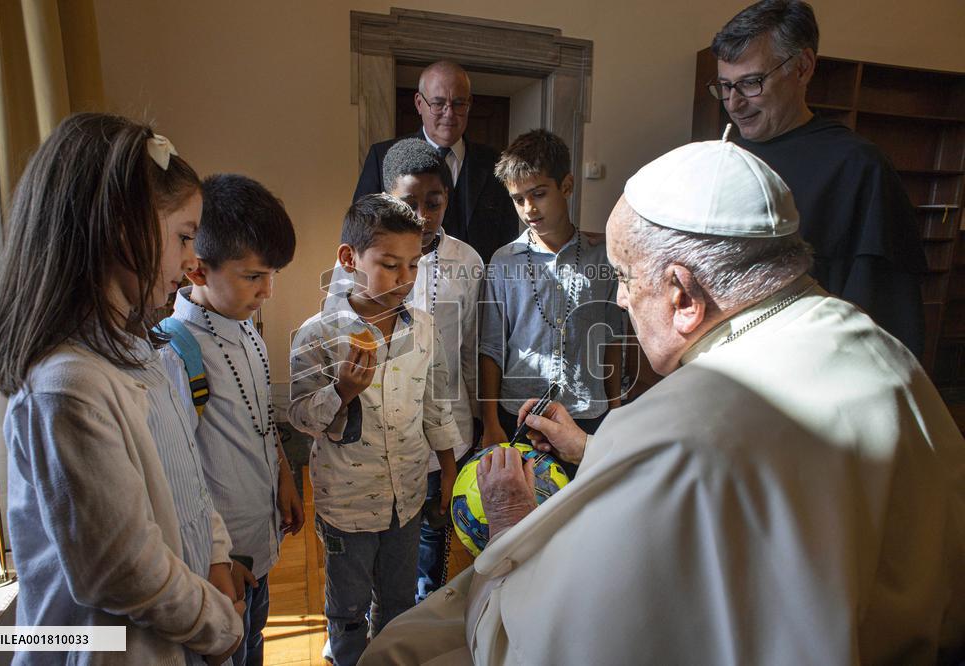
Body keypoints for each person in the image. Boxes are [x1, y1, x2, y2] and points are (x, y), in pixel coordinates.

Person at [359, 139, 965, 664]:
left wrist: (512, 526)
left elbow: (550, 642)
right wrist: (588, 448)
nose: (620, 302)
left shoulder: (670, 424)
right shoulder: (886, 353)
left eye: (625, 278)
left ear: (683, 296)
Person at [0, 112, 244, 665]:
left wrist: (214, 552)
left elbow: (186, 479)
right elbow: (122, 570)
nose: (192, 260)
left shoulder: (138, 355)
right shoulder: (69, 388)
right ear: (123, 227)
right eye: (184, 237)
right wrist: (216, 626)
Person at [289, 194, 461, 666]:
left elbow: (435, 405)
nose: (405, 280)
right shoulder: (317, 335)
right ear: (350, 259)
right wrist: (341, 391)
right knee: (347, 608)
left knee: (399, 602)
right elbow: (301, 418)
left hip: (405, 496)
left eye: (413, 265)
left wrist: (447, 470)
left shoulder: (424, 329)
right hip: (346, 504)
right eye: (389, 265)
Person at [708, 0, 927, 357]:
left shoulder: (858, 167)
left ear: (803, 68)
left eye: (751, 83)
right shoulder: (723, 156)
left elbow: (884, 315)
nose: (733, 103)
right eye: (724, 86)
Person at [162, 173, 302, 666]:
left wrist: (284, 474)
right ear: (198, 270)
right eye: (254, 276)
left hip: (258, 539)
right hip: (219, 564)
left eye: (272, 274)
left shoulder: (247, 331)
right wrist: (212, 558)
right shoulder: (176, 351)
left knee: (254, 645)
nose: (268, 290)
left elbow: (262, 416)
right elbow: (179, 475)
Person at [479, 130, 625, 468]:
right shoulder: (503, 261)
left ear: (567, 186)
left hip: (588, 412)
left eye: (539, 194)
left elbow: (613, 339)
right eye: (518, 199)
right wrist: (489, 421)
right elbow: (491, 346)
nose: (529, 208)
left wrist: (617, 411)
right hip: (518, 414)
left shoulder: (602, 258)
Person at [353, 60, 517, 264]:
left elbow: (507, 240)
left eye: (458, 103)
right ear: (419, 103)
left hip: (475, 289)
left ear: (469, 104)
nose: (449, 114)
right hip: (404, 288)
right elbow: (361, 232)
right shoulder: (382, 156)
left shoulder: (495, 164)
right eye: (438, 104)